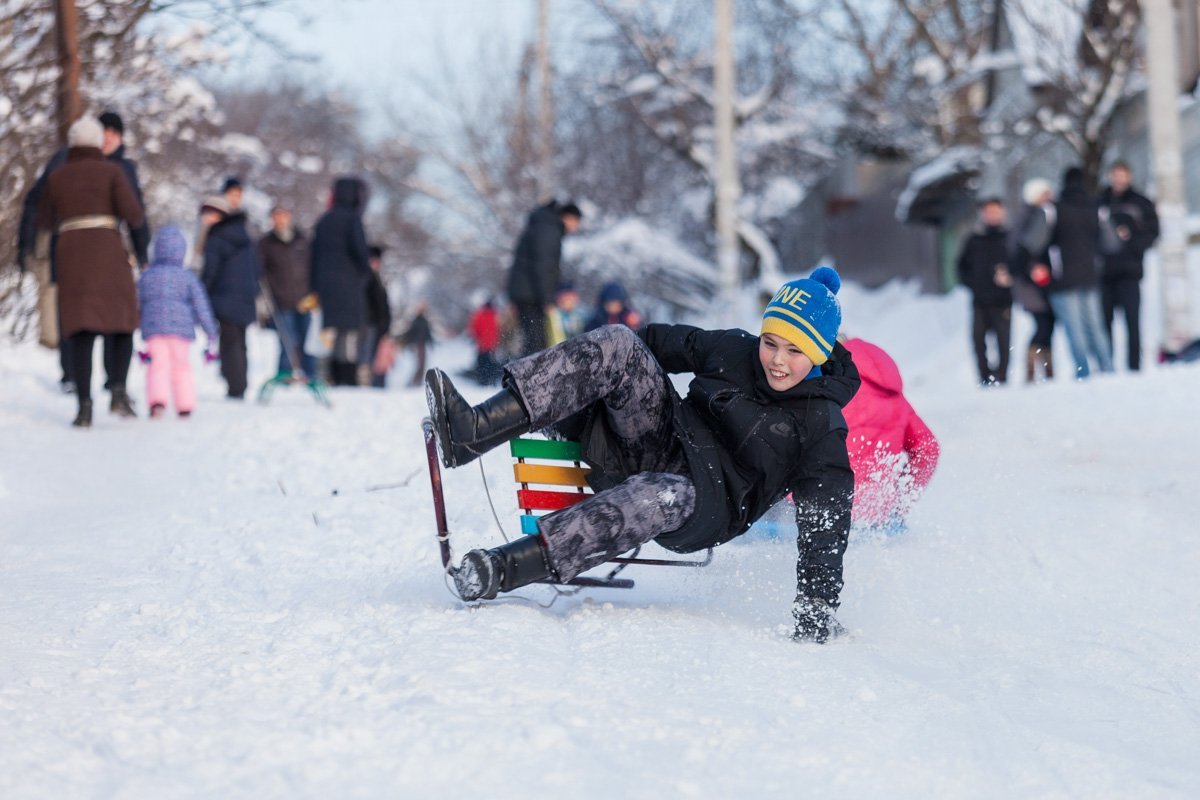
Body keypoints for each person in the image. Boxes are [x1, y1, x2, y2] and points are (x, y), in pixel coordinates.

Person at [426, 266, 859, 643]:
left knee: (659, 494)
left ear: (819, 353)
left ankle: (497, 570)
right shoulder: (736, 349)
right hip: (668, 440)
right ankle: (471, 433)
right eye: (770, 342)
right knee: (619, 341)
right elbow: (650, 342)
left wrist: (816, 606)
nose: (777, 360)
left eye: (794, 351)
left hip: (709, 505)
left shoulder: (820, 424)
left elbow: (827, 520)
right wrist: (578, 379)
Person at [17, 110, 150, 392]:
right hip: (103, 254)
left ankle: (98, 390)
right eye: (106, 132)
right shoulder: (111, 171)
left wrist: (142, 253)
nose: (109, 138)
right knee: (105, 318)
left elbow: (43, 215)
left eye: (115, 133)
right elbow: (136, 214)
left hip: (72, 253)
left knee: (83, 321)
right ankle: (82, 380)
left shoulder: (108, 168)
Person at [840, 337, 939, 532]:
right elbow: (928, 449)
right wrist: (900, 504)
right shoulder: (896, 398)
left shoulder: (827, 386)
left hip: (816, 511)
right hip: (877, 516)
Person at [137, 225, 219, 418]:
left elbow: (137, 301)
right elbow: (200, 304)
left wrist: (136, 321)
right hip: (181, 331)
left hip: (154, 329)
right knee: (181, 367)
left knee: (157, 365)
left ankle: (157, 402)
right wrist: (210, 330)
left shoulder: (147, 276)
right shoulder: (187, 277)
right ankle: (185, 405)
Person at [1044, 167, 1114, 379]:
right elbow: (1112, 244)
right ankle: (1107, 368)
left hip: (1063, 279)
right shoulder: (1097, 208)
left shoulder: (1053, 210)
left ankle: (1083, 371)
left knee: (1074, 329)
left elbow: (1033, 243)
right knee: (1096, 326)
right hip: (1091, 277)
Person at [310, 177, 372, 386]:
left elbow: (313, 256)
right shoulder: (352, 220)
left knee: (330, 332)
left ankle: (329, 375)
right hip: (349, 286)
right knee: (348, 333)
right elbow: (361, 253)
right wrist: (365, 274)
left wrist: (314, 286)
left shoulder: (323, 221)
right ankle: (347, 378)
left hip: (325, 287)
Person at [1098, 161, 1159, 372]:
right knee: (1104, 322)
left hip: (1130, 272)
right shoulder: (1100, 201)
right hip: (1104, 273)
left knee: (1132, 321)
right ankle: (1107, 366)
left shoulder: (1140, 202)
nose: (1119, 179)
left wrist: (1131, 241)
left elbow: (1153, 232)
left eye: (1122, 175)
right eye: (1116, 175)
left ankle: (1134, 366)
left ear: (1129, 176)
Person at [506, 200, 582, 357]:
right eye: (576, 222)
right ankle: (529, 372)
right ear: (567, 217)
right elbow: (544, 266)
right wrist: (548, 299)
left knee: (534, 340)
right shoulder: (548, 230)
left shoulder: (543, 225)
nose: (576, 228)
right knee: (537, 342)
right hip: (532, 295)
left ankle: (528, 371)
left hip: (527, 293)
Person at [200, 196, 259, 399]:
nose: (206, 218)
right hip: (245, 297)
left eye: (210, 213)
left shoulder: (216, 238)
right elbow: (257, 269)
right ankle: (240, 383)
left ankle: (235, 387)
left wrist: (201, 292)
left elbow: (210, 271)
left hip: (224, 297)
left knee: (229, 343)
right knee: (239, 342)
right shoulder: (244, 235)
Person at [956, 198, 1014, 385]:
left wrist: (1010, 277)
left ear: (1003, 212)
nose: (992, 215)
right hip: (980, 300)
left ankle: (1002, 376)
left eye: (995, 211)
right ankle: (984, 377)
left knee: (1003, 341)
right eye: (988, 211)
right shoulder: (974, 240)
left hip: (1003, 300)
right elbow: (961, 267)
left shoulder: (1010, 238)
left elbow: (1020, 264)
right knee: (978, 340)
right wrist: (973, 284)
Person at [258, 204, 317, 380]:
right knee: (287, 340)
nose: (280, 219)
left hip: (305, 300)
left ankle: (310, 376)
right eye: (276, 216)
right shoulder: (265, 243)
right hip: (280, 301)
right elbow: (260, 272)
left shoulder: (303, 241)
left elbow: (313, 267)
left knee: (307, 341)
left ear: (289, 216)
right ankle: (284, 375)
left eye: (283, 215)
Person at [1010, 178, 1057, 383]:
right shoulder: (1029, 216)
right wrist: (1032, 269)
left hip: (1040, 282)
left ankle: (1046, 368)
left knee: (1048, 322)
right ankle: (1033, 367)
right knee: (1043, 324)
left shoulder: (1038, 215)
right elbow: (1019, 251)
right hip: (1030, 283)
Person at [363, 245, 393, 388]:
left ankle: (376, 383)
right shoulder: (367, 278)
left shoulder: (377, 278)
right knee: (369, 355)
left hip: (378, 324)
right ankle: (368, 383)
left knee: (378, 357)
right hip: (370, 322)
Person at [464, 298, 503, 385]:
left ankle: (482, 380)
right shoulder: (495, 315)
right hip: (492, 345)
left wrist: (475, 338)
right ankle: (490, 380)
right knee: (490, 363)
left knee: (481, 363)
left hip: (481, 344)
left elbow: (473, 328)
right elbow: (498, 330)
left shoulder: (479, 314)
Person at [401, 303, 434, 387]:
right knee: (419, 364)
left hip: (422, 345)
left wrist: (431, 342)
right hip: (417, 345)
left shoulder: (424, 321)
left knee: (422, 364)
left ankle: (418, 382)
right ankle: (413, 382)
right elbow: (411, 333)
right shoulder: (416, 321)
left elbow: (427, 333)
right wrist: (411, 344)